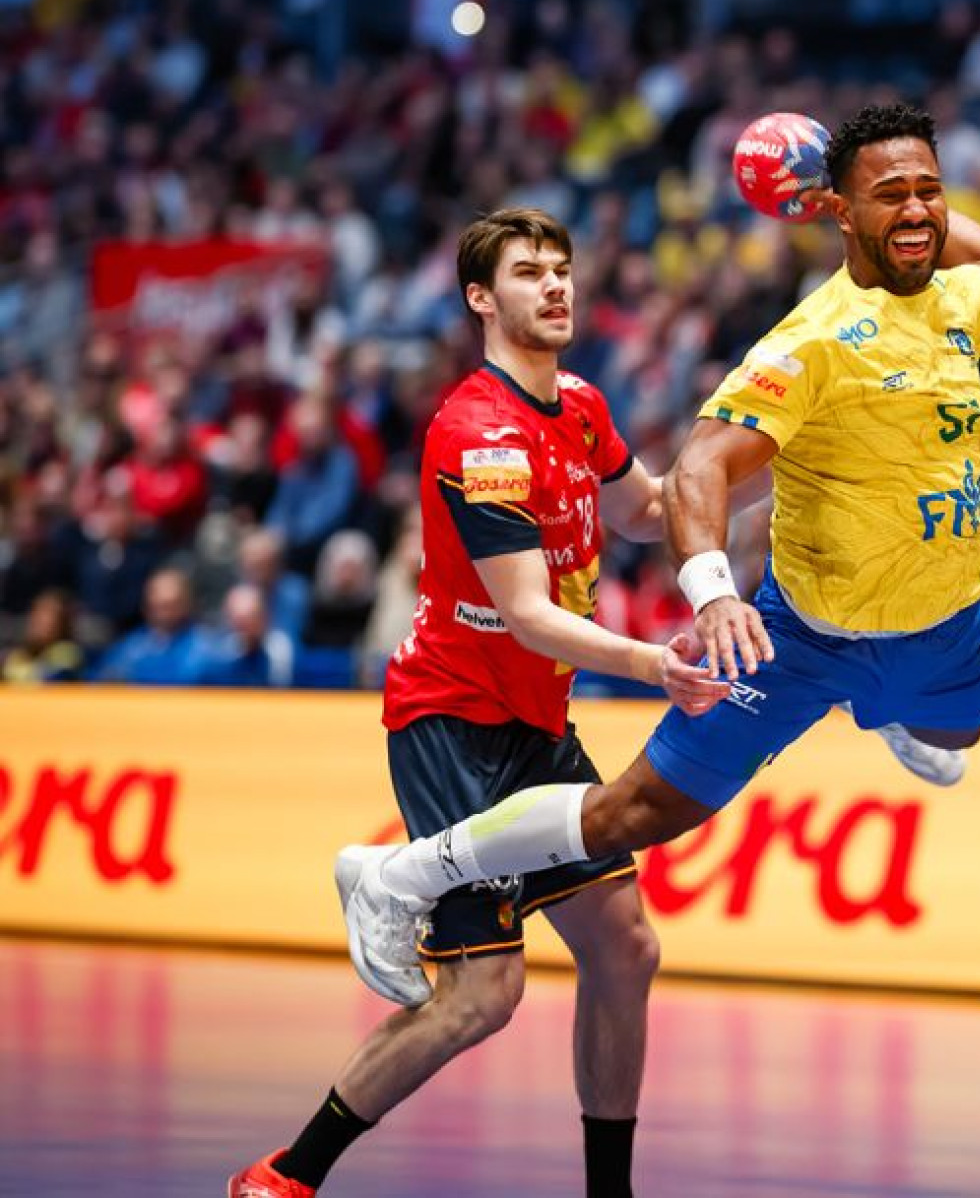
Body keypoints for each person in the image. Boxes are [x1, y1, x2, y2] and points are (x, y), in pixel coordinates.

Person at [328, 102, 980, 1015]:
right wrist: (712, 595)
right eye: (887, 196)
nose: (916, 212)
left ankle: (887, 706)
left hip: (940, 623)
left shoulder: (962, 304)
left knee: (958, 736)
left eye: (929, 193)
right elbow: (698, 470)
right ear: (838, 213)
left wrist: (908, 205)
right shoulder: (809, 342)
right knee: (639, 814)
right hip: (804, 635)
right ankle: (402, 873)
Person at [229, 207, 732, 1198]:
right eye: (529, 273)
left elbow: (641, 509)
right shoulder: (479, 432)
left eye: (563, 270)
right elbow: (529, 614)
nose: (556, 287)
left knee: (624, 946)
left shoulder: (580, 402)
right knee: (481, 995)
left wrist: (772, 482)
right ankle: (285, 1174)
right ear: (479, 298)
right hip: (454, 720)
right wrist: (654, 660)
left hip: (534, 723)